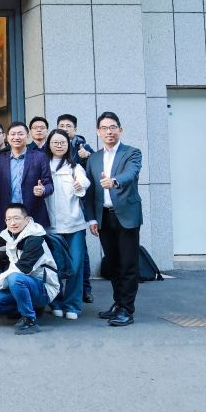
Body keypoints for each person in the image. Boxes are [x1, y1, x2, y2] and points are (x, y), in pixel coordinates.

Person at [83, 111, 143, 328]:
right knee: (114, 264)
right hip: (104, 218)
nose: (109, 131)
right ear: (98, 132)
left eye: (113, 127)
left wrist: (114, 181)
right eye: (104, 128)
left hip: (126, 216)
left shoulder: (132, 153)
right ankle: (118, 304)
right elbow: (90, 192)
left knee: (128, 264)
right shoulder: (93, 158)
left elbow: (131, 174)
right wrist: (91, 219)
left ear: (120, 130)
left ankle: (127, 309)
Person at [0, 203, 60, 335]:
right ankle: (30, 308)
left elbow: (21, 269)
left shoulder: (35, 239)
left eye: (16, 218)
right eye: (8, 219)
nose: (12, 223)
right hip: (21, 285)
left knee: (15, 278)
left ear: (27, 219)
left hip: (44, 288)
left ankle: (30, 320)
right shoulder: (10, 235)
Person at [44, 129, 91, 321]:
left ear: (68, 145)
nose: (59, 145)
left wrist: (80, 185)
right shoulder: (43, 165)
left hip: (74, 224)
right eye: (55, 142)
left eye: (62, 142)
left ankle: (72, 304)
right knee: (52, 265)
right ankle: (55, 301)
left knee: (76, 265)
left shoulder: (75, 167)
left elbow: (84, 181)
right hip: (50, 225)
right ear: (49, 145)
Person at [56, 113, 95, 303]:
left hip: (77, 207)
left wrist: (87, 157)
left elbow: (91, 173)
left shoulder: (83, 147)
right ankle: (56, 295)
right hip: (56, 213)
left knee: (80, 255)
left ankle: (84, 289)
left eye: (68, 126)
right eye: (61, 125)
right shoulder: (50, 152)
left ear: (75, 129)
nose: (65, 128)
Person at [0, 122, 54, 233]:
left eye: (20, 134)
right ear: (7, 137)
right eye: (13, 134)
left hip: (33, 214)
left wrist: (43, 190)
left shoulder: (40, 157)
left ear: (27, 136)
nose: (16, 137)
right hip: (7, 217)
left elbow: (49, 184)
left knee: (33, 244)